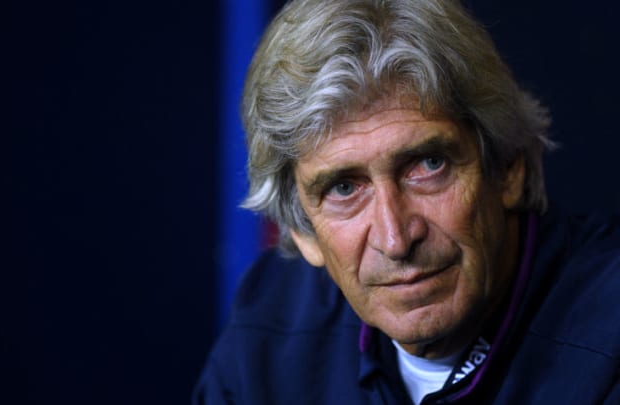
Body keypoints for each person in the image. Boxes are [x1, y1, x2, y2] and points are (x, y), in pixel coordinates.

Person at [194, 0, 620, 403]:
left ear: (508, 167)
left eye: (428, 165)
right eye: (344, 188)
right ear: (304, 232)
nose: (396, 239)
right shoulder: (268, 334)